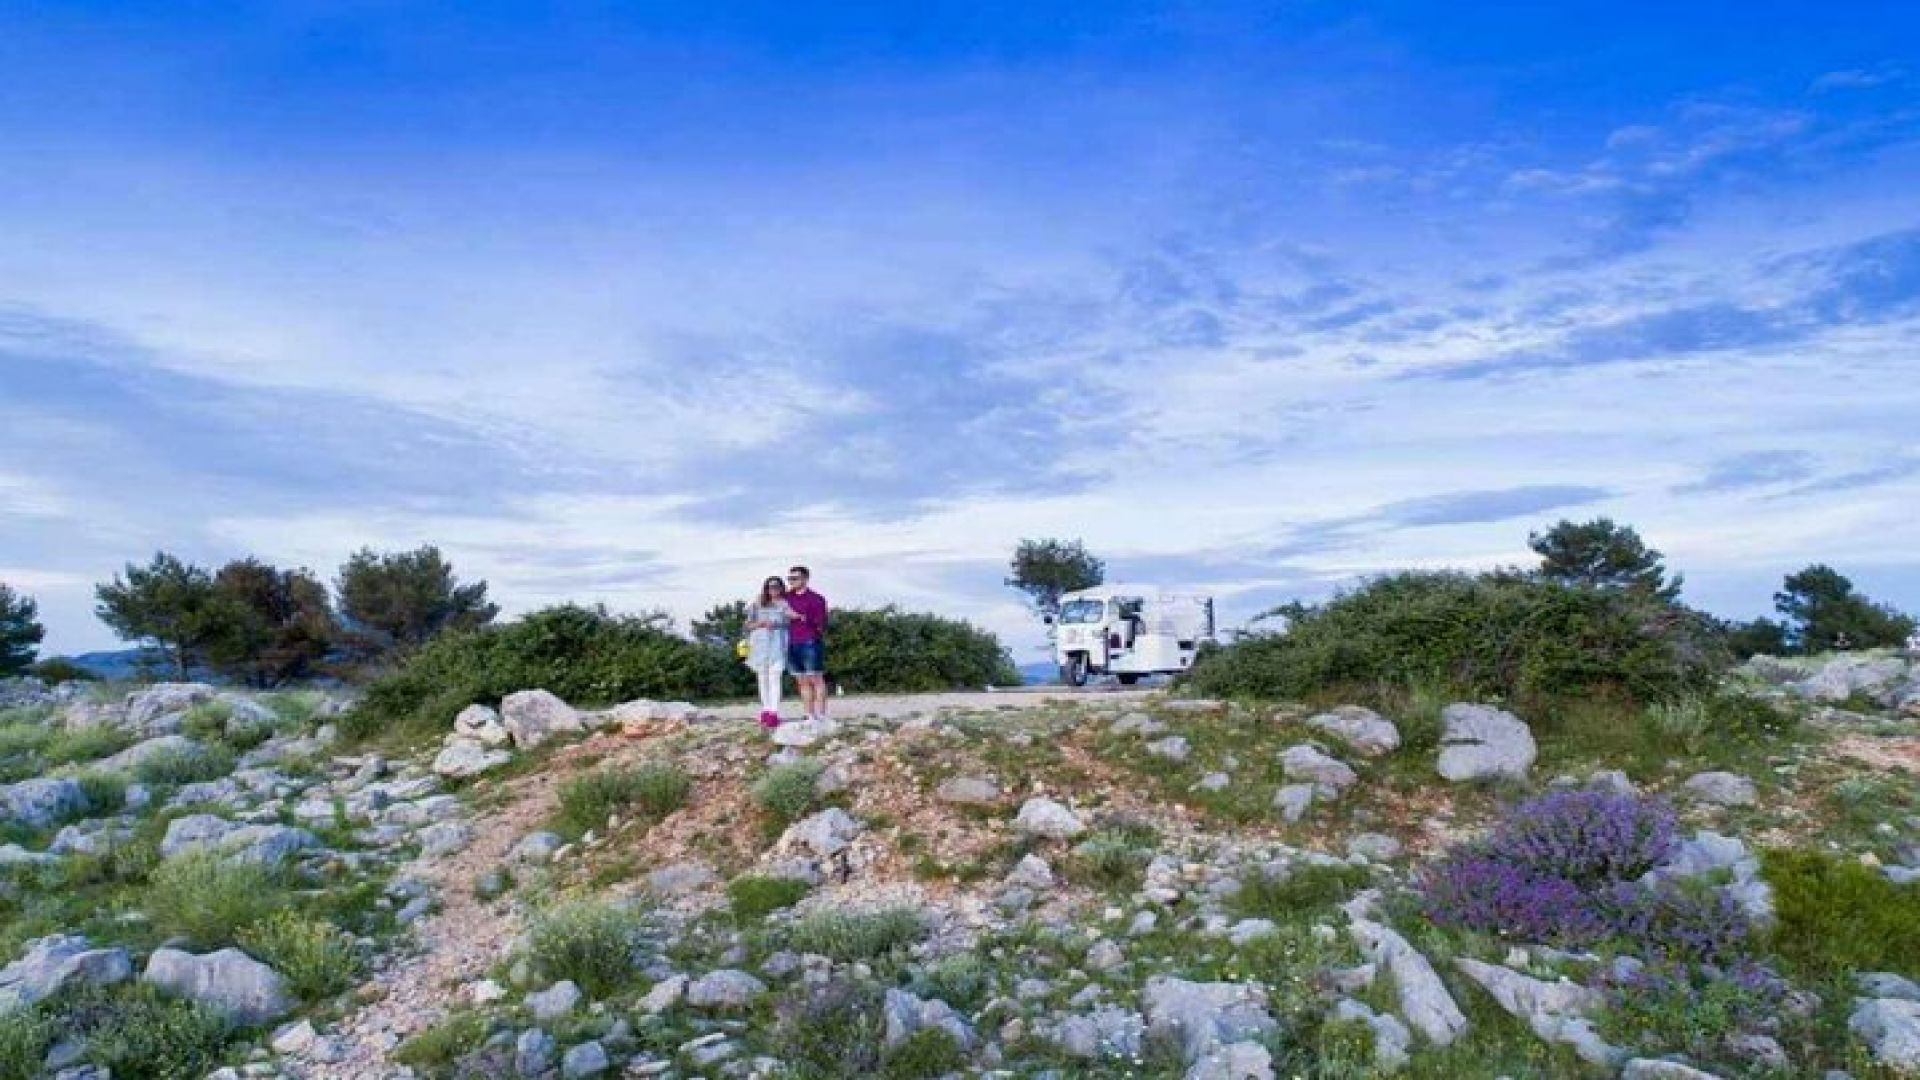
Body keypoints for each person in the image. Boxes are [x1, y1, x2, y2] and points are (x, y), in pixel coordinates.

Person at [743, 575, 795, 729]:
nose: (773, 589)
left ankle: (774, 712)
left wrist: (777, 623)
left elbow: (791, 621)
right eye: (770, 586)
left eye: (777, 586)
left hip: (778, 644)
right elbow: (747, 625)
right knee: (762, 678)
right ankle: (765, 710)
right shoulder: (757, 602)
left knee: (775, 677)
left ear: (781, 587)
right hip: (759, 645)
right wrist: (760, 623)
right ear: (766, 588)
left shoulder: (786, 603)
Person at [783, 565, 830, 724]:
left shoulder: (817, 599)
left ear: (805, 579)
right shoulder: (786, 597)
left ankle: (822, 716)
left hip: (810, 642)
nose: (791, 581)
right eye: (789, 578)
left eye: (795, 578)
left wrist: (800, 617)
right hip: (791, 643)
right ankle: (809, 715)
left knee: (816, 679)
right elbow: (766, 600)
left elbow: (822, 623)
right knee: (801, 681)